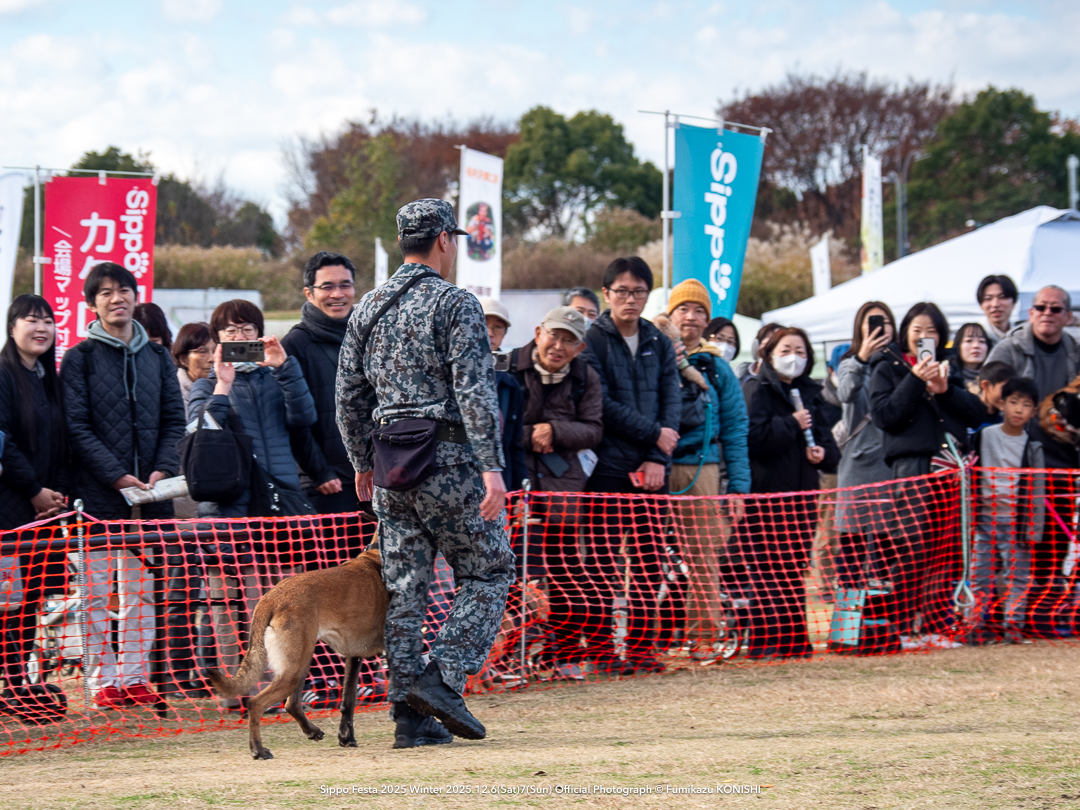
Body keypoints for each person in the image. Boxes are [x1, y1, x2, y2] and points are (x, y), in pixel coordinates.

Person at [337, 198, 514, 748]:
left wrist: (361, 462)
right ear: (444, 240)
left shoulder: (368, 307)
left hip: (391, 466)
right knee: (489, 570)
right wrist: (492, 467)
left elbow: (347, 396)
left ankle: (408, 718)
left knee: (404, 591)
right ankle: (442, 678)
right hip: (450, 461)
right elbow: (475, 391)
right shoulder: (456, 303)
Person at [60, 262, 186, 709]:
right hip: (95, 496)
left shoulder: (157, 357)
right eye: (106, 292)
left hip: (151, 497)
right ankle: (103, 680)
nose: (117, 299)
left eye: (124, 290)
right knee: (94, 593)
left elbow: (174, 421)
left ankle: (134, 676)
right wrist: (115, 475)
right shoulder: (79, 358)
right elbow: (76, 426)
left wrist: (161, 469)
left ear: (136, 295)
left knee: (141, 590)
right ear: (92, 304)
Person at [583, 256, 681, 674]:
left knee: (648, 563)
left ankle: (642, 649)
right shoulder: (592, 339)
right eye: (622, 291)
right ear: (606, 293)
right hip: (606, 466)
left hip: (653, 469)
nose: (630, 299)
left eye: (639, 292)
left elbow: (672, 400)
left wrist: (657, 455)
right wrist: (654, 434)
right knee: (602, 563)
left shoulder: (660, 341)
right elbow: (601, 403)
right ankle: (603, 651)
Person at [868, 302, 987, 645]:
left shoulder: (949, 366)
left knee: (947, 548)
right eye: (917, 330)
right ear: (905, 331)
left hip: (951, 467)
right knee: (913, 545)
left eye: (931, 332)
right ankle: (903, 626)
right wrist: (914, 380)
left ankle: (936, 625)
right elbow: (885, 416)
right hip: (912, 466)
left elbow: (977, 413)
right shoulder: (886, 364)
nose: (923, 337)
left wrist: (945, 390)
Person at [509, 305, 603, 680]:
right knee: (511, 575)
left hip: (563, 489)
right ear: (538, 332)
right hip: (514, 487)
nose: (559, 346)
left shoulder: (586, 377)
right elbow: (489, 423)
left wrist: (556, 431)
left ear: (580, 348)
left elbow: (594, 429)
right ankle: (504, 660)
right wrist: (530, 434)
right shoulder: (508, 367)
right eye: (554, 335)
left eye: (569, 340)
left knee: (567, 575)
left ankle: (563, 654)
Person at [665, 280, 750, 664]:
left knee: (703, 556)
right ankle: (642, 640)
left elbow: (736, 428)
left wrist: (739, 488)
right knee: (642, 556)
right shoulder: (651, 353)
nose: (691, 316)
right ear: (670, 314)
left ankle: (704, 636)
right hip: (652, 466)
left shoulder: (718, 367)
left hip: (703, 470)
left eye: (699, 310)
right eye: (683, 309)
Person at [742, 327, 840, 659]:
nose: (793, 357)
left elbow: (829, 444)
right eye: (785, 350)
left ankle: (795, 641)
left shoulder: (810, 393)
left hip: (804, 495)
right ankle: (765, 642)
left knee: (794, 566)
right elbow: (752, 439)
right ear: (769, 354)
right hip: (767, 493)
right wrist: (791, 424)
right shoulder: (756, 389)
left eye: (800, 351)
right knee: (767, 569)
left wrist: (823, 453)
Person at [188, 300, 317, 518]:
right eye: (231, 330)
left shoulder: (277, 379)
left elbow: (305, 418)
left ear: (259, 334)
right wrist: (223, 386)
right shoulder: (206, 386)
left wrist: (285, 368)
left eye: (248, 329)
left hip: (280, 496)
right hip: (229, 501)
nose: (240, 337)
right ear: (217, 337)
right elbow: (198, 434)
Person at [0, 296, 68, 700]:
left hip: (43, 513)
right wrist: (34, 490)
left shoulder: (47, 378)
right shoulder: (3, 375)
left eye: (48, 321)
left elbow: (59, 446)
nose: (41, 328)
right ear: (12, 328)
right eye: (31, 320)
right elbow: (3, 445)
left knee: (30, 601)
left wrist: (54, 496)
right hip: (9, 509)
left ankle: (16, 684)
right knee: (6, 602)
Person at [833, 303, 897, 642]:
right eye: (871, 323)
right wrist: (861, 359)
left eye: (885, 323)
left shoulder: (899, 364)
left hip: (891, 465)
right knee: (852, 549)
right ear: (860, 328)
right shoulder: (849, 362)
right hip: (857, 466)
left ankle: (879, 630)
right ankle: (845, 633)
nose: (879, 329)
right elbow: (845, 393)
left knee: (886, 551)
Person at [282, 251, 363, 515]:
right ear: (309, 293)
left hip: (374, 478)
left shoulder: (369, 337)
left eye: (345, 285)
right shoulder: (294, 345)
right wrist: (320, 473)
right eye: (327, 287)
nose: (337, 294)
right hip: (329, 486)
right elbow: (293, 419)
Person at [968, 376, 1044, 645]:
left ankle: (1013, 628)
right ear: (1002, 404)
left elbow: (1037, 489)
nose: (1018, 409)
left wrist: (1034, 528)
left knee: (1018, 575)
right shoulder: (984, 436)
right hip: (985, 518)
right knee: (980, 574)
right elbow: (970, 473)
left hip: (1017, 521)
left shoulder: (1033, 446)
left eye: (1026, 405)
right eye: (1013, 402)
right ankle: (974, 626)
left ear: (1034, 411)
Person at [986, 285, 1080, 403]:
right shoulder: (1008, 349)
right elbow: (987, 394)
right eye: (1040, 307)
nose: (1047, 313)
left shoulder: (1076, 352)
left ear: (1069, 317)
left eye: (1055, 309)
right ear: (1031, 314)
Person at [478, 297, 527, 492]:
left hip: (497, 487)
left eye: (498, 327)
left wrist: (519, 491)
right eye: (483, 323)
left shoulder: (510, 386)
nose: (490, 332)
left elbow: (514, 446)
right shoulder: (446, 372)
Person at [171, 322, 215, 407]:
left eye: (215, 351)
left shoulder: (226, 389)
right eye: (202, 352)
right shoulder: (173, 394)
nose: (212, 359)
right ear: (183, 359)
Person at [977, 274, 1019, 346]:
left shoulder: (1021, 336)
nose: (995, 304)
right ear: (981, 305)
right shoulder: (974, 338)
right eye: (988, 298)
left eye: (1002, 297)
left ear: (1014, 303)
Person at [951, 322, 990, 395]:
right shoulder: (949, 378)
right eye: (969, 340)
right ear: (958, 346)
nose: (976, 345)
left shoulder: (995, 377)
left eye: (982, 341)